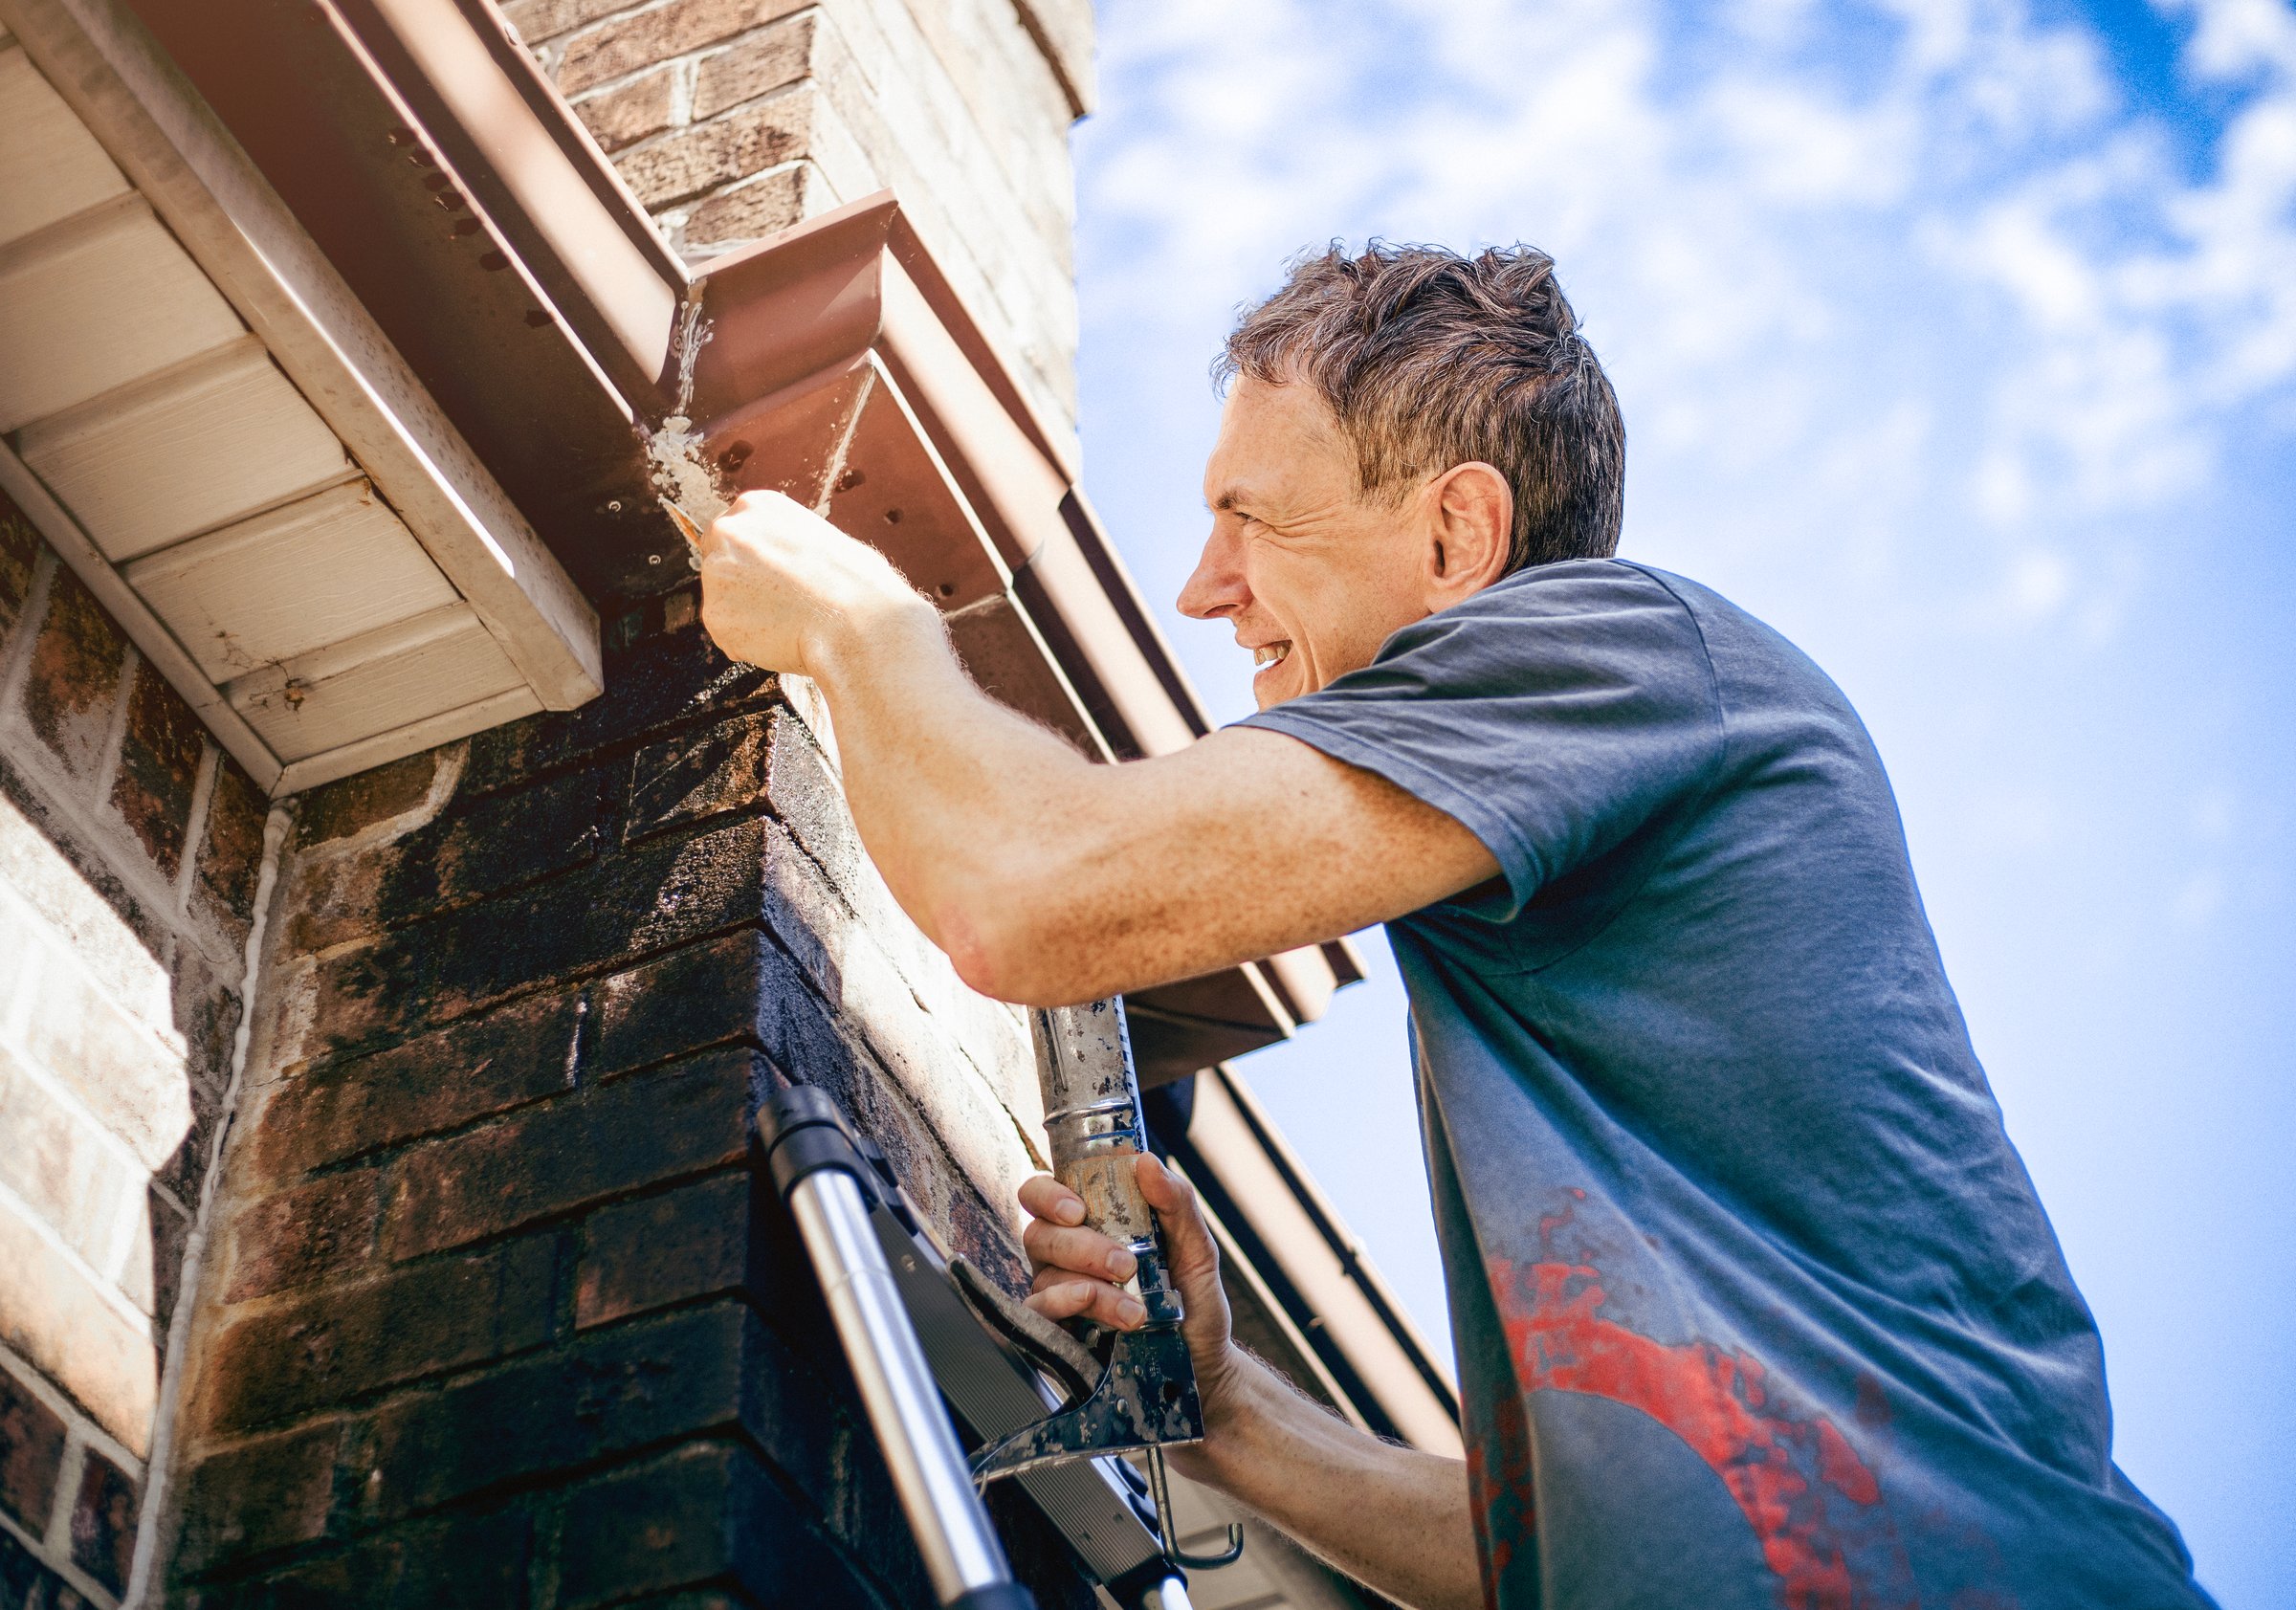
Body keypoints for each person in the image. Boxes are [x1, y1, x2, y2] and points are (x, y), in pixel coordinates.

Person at [696, 244, 2213, 1610]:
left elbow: (1023, 894)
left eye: (1250, 515)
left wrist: (854, 624)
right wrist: (1232, 1414)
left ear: (1458, 534)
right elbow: (1543, 1561)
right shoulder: (1563, 878)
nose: (1202, 586)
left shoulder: (1614, 651)